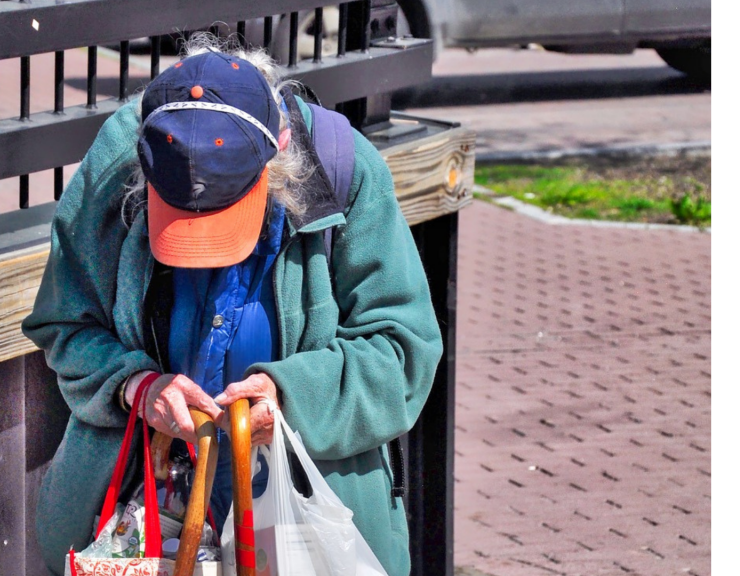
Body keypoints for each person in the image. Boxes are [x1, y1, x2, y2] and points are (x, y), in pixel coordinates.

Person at [22, 37, 443, 576]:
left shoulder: (345, 168)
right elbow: (65, 323)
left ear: (281, 150)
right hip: (151, 508)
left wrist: (289, 396)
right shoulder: (118, 161)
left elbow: (403, 352)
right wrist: (136, 387)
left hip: (301, 517)